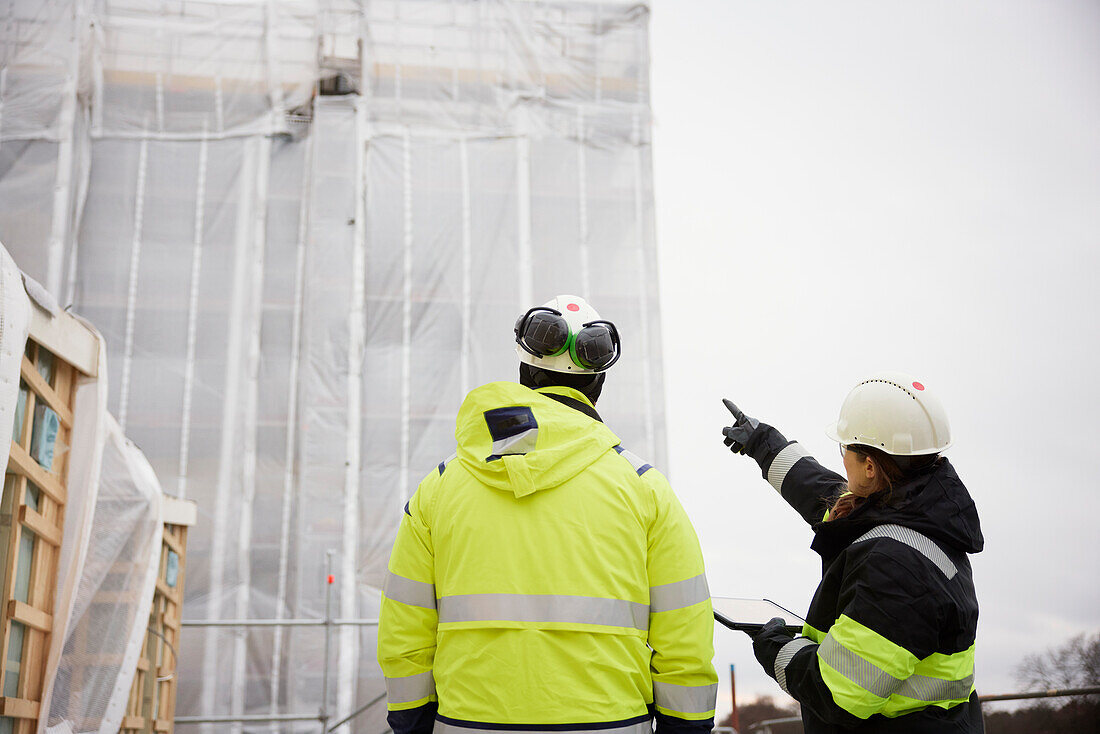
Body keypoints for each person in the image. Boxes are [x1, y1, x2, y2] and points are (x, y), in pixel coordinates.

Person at [378, 295, 718, 734]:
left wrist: (411, 719)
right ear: (597, 384)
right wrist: (686, 725)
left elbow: (405, 621)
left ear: (524, 371)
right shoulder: (644, 488)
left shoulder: (440, 487)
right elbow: (683, 627)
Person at [721, 373, 984, 733]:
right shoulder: (915, 510)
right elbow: (824, 495)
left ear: (871, 467)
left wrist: (773, 646)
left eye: (846, 450)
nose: (842, 459)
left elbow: (838, 694)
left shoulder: (897, 567)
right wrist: (763, 443)